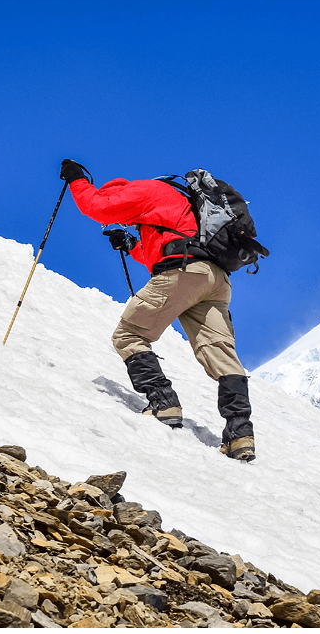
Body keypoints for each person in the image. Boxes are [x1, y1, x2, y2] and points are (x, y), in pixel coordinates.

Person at [59, 158, 256, 461]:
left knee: (128, 335)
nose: (125, 220)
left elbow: (95, 205)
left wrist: (76, 180)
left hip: (185, 271)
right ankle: (240, 434)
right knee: (219, 352)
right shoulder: (188, 204)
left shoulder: (145, 190)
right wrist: (131, 245)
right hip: (215, 280)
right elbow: (167, 249)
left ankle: (164, 403)